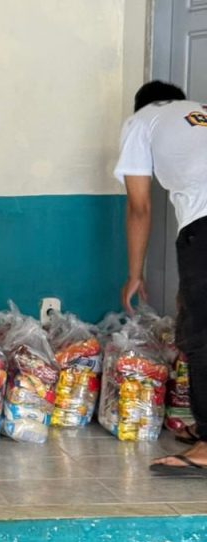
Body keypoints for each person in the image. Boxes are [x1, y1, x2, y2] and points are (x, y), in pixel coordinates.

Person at [114, 80, 207, 477]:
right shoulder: (198, 112)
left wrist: (135, 274)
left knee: (201, 334)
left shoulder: (142, 120)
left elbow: (139, 206)